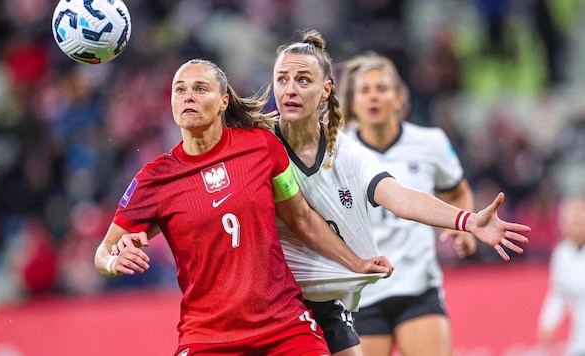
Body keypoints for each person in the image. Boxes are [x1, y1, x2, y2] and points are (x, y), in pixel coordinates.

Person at [93, 58, 394, 356]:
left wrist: (356, 262)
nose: (188, 96)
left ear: (224, 101)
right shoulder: (155, 178)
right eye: (179, 90)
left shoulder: (262, 147)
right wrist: (113, 261)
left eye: (200, 89)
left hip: (284, 326)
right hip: (207, 337)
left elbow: (301, 218)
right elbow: (104, 252)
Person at [272, 30, 531, 356]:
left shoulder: (351, 152)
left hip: (381, 286)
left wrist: (466, 221)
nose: (290, 89)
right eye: (281, 79)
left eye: (303, 80)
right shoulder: (259, 143)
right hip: (287, 298)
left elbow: (401, 196)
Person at [336, 51, 478, 356]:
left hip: (418, 287)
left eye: (382, 88)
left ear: (399, 99)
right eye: (365, 90)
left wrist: (465, 229)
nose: (374, 97)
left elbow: (458, 191)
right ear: (353, 103)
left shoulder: (430, 142)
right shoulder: (336, 150)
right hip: (362, 293)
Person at [537, 197, 585, 356]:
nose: (574, 220)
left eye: (579, 215)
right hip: (578, 341)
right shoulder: (562, 254)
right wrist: (548, 322)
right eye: (569, 216)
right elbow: (558, 293)